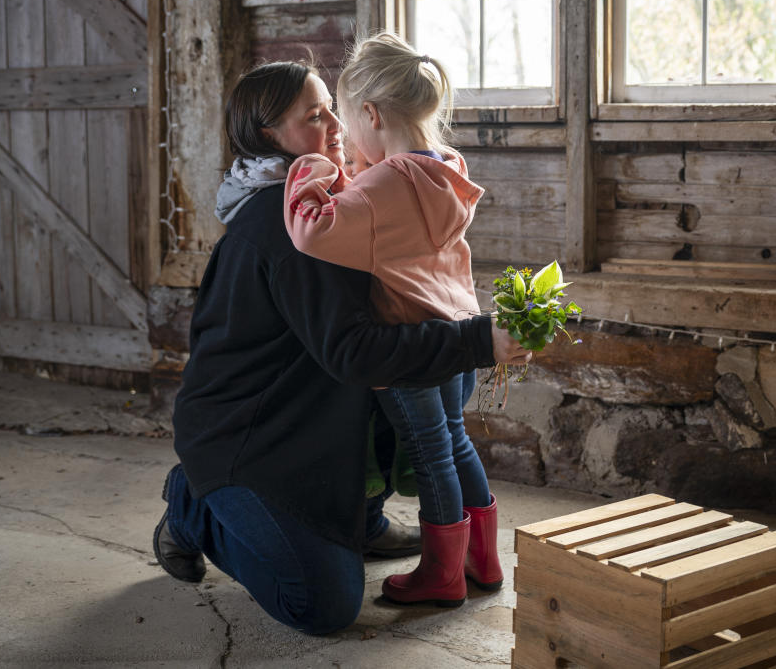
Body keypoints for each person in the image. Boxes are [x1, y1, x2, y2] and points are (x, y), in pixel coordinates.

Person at [154, 59, 530, 636]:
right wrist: (479, 339)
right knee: (321, 603)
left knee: (405, 400)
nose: (335, 123)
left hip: (317, 417)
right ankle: (192, 502)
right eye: (313, 115)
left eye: (334, 107)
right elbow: (356, 353)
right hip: (250, 435)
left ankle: (362, 518)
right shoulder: (292, 223)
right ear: (268, 137)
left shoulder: (344, 193)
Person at [283, 32, 501, 608]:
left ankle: (442, 574)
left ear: (372, 115)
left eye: (349, 125)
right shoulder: (446, 169)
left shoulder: (384, 184)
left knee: (431, 456)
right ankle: (484, 560)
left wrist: (311, 169)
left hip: (411, 347)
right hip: (458, 337)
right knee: (457, 444)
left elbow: (314, 230)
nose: (344, 139)